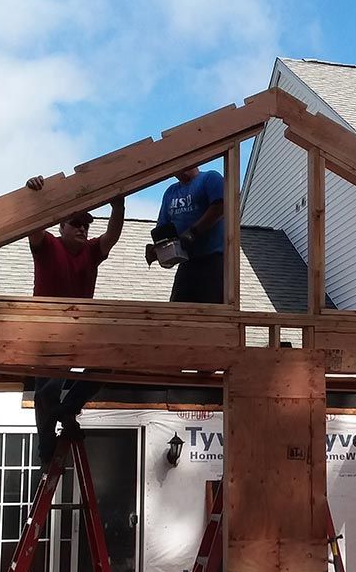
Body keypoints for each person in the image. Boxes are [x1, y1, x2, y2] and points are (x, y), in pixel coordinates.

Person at [25, 174, 125, 465]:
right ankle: (47, 453)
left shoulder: (91, 252)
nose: (82, 228)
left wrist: (118, 206)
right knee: (47, 390)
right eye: (76, 223)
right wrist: (38, 196)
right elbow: (33, 226)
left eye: (86, 224)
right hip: (47, 330)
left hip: (79, 330)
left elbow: (112, 236)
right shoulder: (48, 246)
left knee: (109, 362)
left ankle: (68, 409)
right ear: (62, 226)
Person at [145, 166, 224, 303]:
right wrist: (158, 250)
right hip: (187, 262)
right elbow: (163, 230)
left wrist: (193, 232)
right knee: (177, 312)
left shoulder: (210, 178)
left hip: (213, 260)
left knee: (211, 313)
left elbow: (220, 207)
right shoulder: (171, 192)